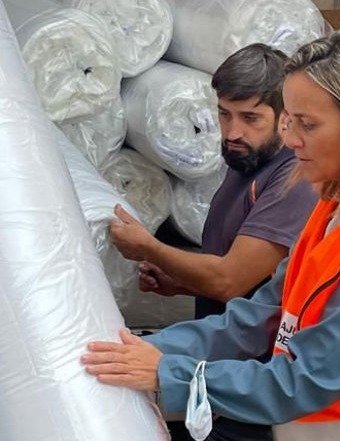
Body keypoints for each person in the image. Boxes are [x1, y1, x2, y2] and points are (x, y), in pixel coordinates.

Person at [83, 29, 340, 441]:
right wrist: (156, 347)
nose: (291, 139)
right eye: (289, 122)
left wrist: (169, 373)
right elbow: (263, 314)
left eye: (307, 124)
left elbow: (305, 380)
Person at [109, 43, 318, 441]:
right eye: (224, 114)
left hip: (251, 388)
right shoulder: (245, 163)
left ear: (285, 117)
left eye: (250, 118)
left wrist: (149, 247)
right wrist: (182, 281)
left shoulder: (293, 180)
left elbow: (230, 281)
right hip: (217, 370)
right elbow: (248, 274)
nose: (233, 132)